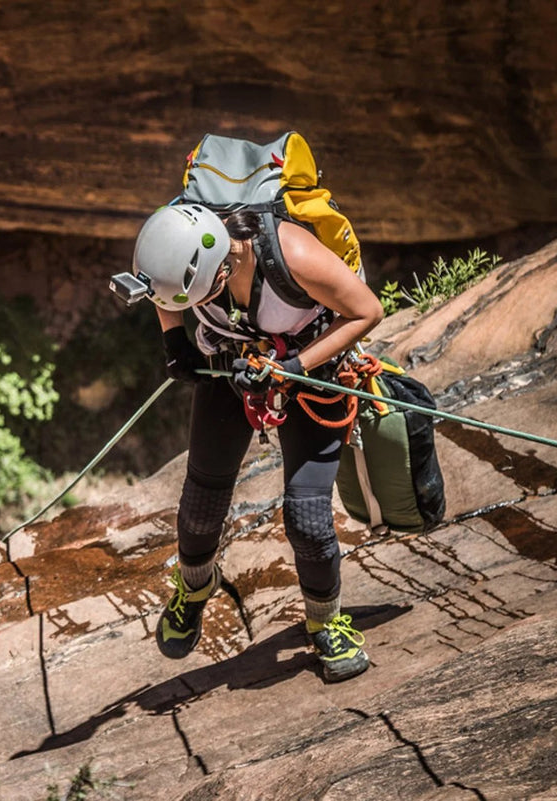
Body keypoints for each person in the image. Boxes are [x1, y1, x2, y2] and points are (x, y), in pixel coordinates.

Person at [130, 202, 384, 682]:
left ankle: (326, 621)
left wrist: (294, 369)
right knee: (199, 509)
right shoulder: (174, 240)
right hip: (230, 364)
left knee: (307, 518)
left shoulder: (294, 256)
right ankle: (195, 589)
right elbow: (155, 283)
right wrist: (175, 341)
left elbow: (366, 310)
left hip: (311, 373)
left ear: (222, 269)